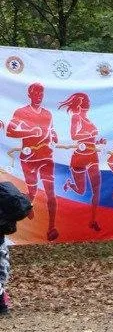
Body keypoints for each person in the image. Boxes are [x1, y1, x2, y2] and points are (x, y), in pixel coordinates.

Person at [5, 83, 58, 241]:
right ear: (30, 94)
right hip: (29, 157)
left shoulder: (48, 114)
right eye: (36, 93)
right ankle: (26, 207)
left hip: (47, 156)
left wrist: (54, 136)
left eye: (41, 93)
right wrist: (30, 131)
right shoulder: (21, 112)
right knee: (33, 192)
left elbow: (51, 129)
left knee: (51, 193)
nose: (39, 95)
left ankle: (51, 228)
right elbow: (10, 131)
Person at [57, 92, 105, 232]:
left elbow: (91, 139)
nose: (89, 102)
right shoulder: (76, 117)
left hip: (92, 156)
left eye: (89, 100)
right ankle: (70, 184)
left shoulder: (88, 119)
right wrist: (89, 135)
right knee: (81, 190)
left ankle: (93, 220)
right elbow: (74, 135)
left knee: (97, 190)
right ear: (80, 103)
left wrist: (98, 141)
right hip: (80, 157)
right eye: (86, 100)